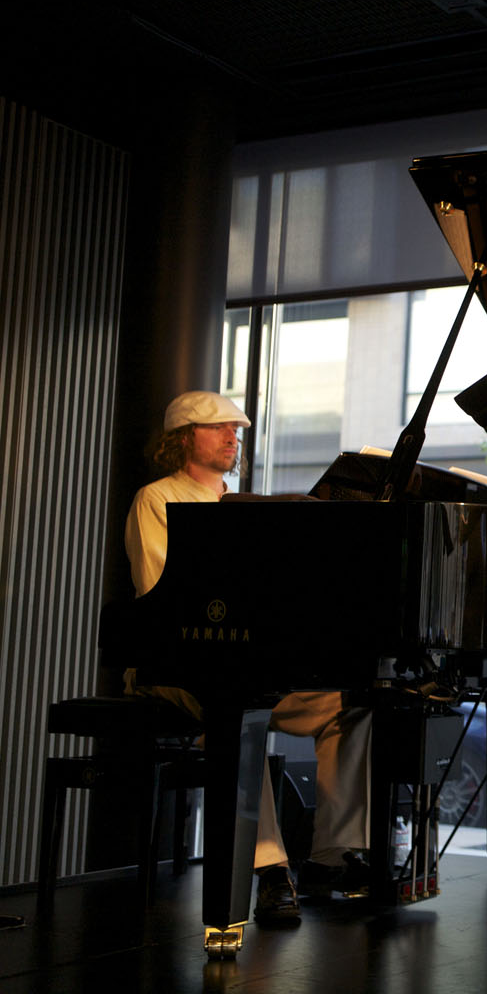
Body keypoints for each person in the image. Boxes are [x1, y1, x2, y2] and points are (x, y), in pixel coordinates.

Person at [124, 390, 375, 924]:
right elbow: (160, 599)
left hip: (252, 661)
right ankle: (268, 869)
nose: (232, 438)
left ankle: (335, 855)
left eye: (236, 430)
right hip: (178, 668)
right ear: (182, 438)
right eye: (219, 428)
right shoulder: (157, 498)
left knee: (349, 706)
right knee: (240, 713)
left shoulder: (249, 509)